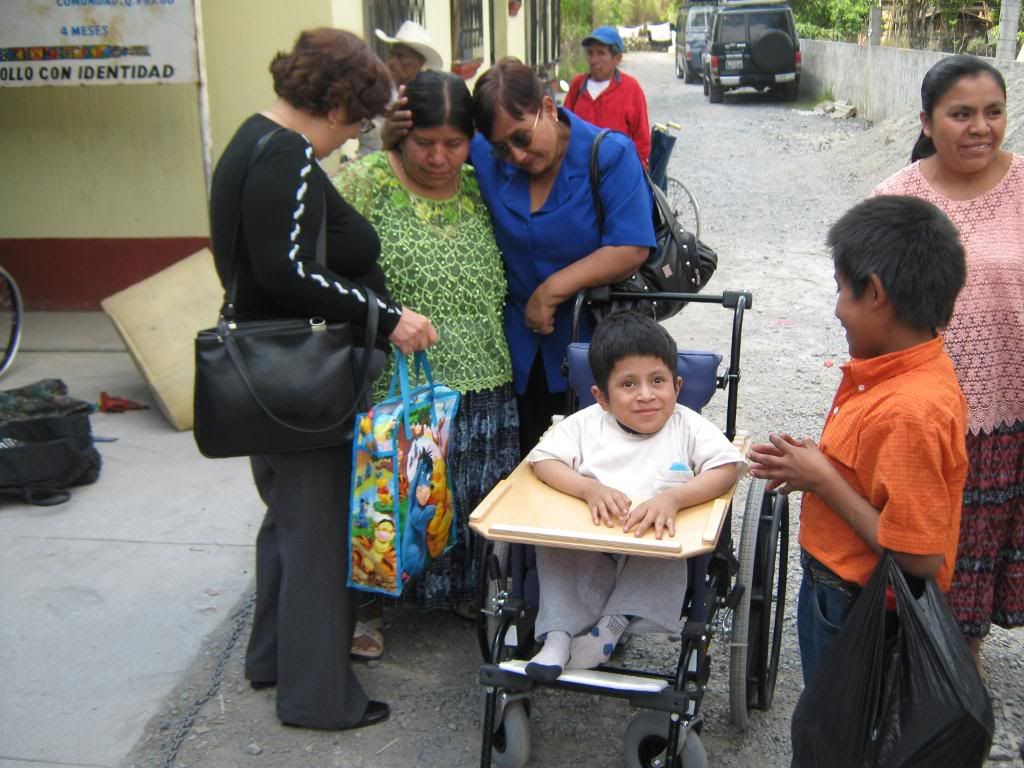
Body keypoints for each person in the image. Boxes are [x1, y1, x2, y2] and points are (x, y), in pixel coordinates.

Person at [207, 28, 437, 731]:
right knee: (316, 538)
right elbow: (289, 273)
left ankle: (273, 658)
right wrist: (388, 315)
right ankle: (317, 698)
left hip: (269, 367)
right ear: (338, 105)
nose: (354, 136)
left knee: (288, 523)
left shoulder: (251, 139)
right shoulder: (289, 158)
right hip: (300, 377)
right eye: (359, 120)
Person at [747, 195, 969, 684]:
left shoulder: (912, 409)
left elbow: (918, 558)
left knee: (843, 728)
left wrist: (824, 480)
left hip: (861, 607)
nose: (836, 309)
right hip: (844, 591)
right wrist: (816, 466)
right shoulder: (897, 371)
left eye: (842, 290)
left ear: (875, 292)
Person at [333, 71, 519, 637]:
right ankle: (371, 610)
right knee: (389, 498)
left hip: (484, 370)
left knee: (466, 492)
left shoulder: (480, 182)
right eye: (423, 143)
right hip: (400, 382)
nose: (439, 158)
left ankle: (468, 594)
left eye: (453, 143)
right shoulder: (366, 182)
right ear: (398, 136)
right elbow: (320, 268)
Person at [872, 55, 1023, 675]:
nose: (980, 127)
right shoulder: (898, 200)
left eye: (993, 112)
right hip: (927, 408)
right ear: (928, 122)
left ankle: (963, 654)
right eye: (961, 114)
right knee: (927, 533)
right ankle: (915, 642)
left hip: (1012, 405)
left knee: (989, 532)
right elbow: (867, 305)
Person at [522, 312, 744, 681]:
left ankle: (611, 626)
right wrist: (588, 489)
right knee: (552, 543)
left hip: (648, 544)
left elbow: (725, 469)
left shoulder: (687, 426)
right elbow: (543, 460)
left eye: (657, 381)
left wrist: (675, 499)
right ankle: (557, 637)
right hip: (590, 541)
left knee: (669, 542)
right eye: (628, 384)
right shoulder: (585, 424)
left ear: (676, 384)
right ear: (602, 397)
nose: (646, 395)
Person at [470, 57, 656, 455]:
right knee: (527, 462)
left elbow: (632, 247)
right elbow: (438, 144)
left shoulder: (608, 155)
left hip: (593, 344)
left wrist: (552, 290)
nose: (516, 156)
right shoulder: (487, 158)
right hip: (514, 352)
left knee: (594, 464)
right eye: (503, 148)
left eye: (522, 138)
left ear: (549, 109)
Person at [563, 26, 651, 167]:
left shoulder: (631, 88)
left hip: (616, 171)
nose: (593, 60)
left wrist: (636, 171)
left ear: (617, 58)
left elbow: (642, 140)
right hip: (579, 170)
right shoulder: (578, 85)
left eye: (601, 53)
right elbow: (563, 127)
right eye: (590, 53)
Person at [358, 20, 443, 155]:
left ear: (419, 62)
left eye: (401, 56)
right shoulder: (375, 91)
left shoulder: (433, 97)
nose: (391, 62)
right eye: (391, 55)